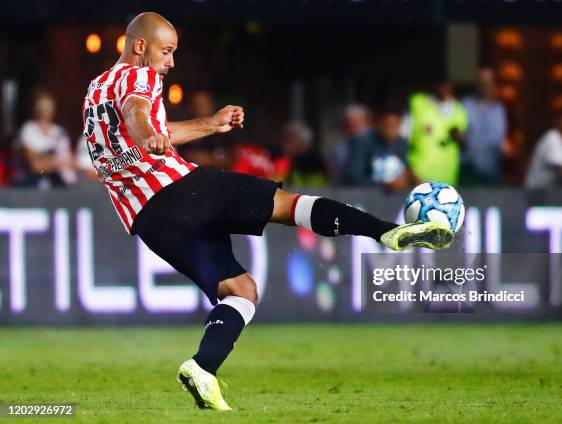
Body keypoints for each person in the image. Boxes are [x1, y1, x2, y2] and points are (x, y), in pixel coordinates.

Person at [81, 12, 454, 412]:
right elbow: (140, 115)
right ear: (140, 47)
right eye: (166, 51)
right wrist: (147, 135)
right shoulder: (139, 77)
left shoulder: (94, 91)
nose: (170, 62)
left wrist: (211, 124)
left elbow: (150, 128)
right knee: (288, 206)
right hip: (180, 189)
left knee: (240, 291)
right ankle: (388, 231)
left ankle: (202, 368)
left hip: (147, 218)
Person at [401, 81, 468, 186]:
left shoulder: (458, 109)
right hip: (418, 177)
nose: (444, 88)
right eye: (441, 83)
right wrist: (409, 170)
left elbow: (464, 139)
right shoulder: (418, 104)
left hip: (447, 179)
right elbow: (402, 138)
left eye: (447, 84)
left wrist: (460, 138)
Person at [13, 92, 77, 188]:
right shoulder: (28, 129)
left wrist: (45, 161)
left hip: (57, 182)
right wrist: (57, 161)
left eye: (48, 109)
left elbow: (71, 163)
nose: (45, 112)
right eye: (42, 108)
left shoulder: (59, 131)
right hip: (30, 183)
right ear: (36, 110)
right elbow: (35, 166)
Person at [344, 106, 413, 192]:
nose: (391, 130)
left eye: (395, 125)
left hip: (396, 198)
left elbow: (406, 171)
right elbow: (353, 177)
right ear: (378, 124)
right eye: (387, 125)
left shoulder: (402, 143)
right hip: (367, 197)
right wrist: (385, 185)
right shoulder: (362, 142)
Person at [461, 68, 508, 185]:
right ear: (476, 84)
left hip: (492, 172)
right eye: (482, 82)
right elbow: (461, 135)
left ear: (494, 84)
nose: (485, 86)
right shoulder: (465, 105)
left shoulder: (499, 109)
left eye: (489, 82)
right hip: (469, 172)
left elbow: (499, 139)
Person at [330, 104, 371, 183]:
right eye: (349, 125)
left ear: (367, 125)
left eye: (357, 125)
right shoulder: (337, 150)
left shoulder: (375, 146)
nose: (353, 130)